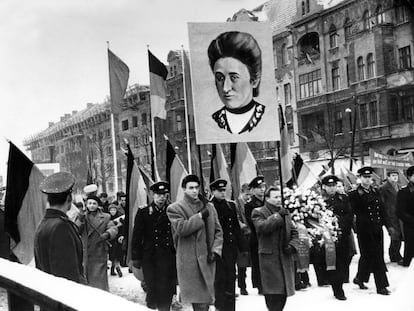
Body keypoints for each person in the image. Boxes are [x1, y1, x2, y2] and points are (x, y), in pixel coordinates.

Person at [167, 174, 223, 311]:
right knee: (199, 303)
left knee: (207, 302)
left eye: (197, 187)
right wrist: (199, 217)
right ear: (184, 189)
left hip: (208, 260)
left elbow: (218, 231)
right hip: (190, 263)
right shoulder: (175, 208)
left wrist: (216, 250)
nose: (194, 191)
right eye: (191, 188)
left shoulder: (209, 207)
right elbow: (182, 229)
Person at [207, 31, 265, 134]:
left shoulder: (266, 117)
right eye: (220, 78)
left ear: (254, 80)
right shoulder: (212, 123)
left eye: (234, 77)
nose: (225, 88)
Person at [251, 186, 299, 311]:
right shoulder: (258, 212)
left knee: (283, 295)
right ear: (267, 198)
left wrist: (292, 245)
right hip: (269, 261)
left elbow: (294, 232)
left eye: (280, 197)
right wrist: (278, 216)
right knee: (273, 297)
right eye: (275, 197)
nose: (279, 200)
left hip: (284, 258)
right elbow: (263, 228)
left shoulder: (284, 212)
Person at [131, 181, 177, 311]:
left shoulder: (172, 210)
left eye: (164, 194)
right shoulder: (144, 212)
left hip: (168, 256)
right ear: (152, 195)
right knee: (152, 288)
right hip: (150, 257)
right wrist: (136, 257)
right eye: (158, 194)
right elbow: (137, 236)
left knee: (167, 288)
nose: (161, 197)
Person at [34, 172, 86, 284]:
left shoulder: (44, 224)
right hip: (63, 296)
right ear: (69, 198)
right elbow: (67, 276)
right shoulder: (61, 227)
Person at [348, 166, 393, 295]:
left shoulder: (375, 191)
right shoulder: (354, 194)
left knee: (370, 256)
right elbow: (351, 212)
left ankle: (360, 278)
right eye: (364, 177)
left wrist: (389, 225)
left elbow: (382, 210)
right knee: (375, 257)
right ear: (359, 178)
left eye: (369, 177)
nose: (367, 180)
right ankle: (381, 286)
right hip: (364, 231)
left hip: (377, 229)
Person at [210, 179, 245, 311]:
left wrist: (242, 247)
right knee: (219, 280)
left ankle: (231, 308)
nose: (223, 193)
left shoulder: (231, 205)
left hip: (230, 248)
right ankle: (220, 307)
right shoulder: (209, 206)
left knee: (231, 277)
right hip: (218, 249)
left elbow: (235, 227)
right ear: (213, 191)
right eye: (219, 191)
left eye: (224, 190)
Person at [322, 175, 353, 300]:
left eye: (334, 185)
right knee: (332, 262)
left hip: (342, 234)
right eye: (329, 186)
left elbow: (349, 214)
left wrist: (341, 227)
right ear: (324, 187)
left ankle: (339, 283)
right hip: (327, 237)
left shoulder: (343, 198)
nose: (332, 188)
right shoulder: (319, 200)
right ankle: (337, 289)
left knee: (343, 260)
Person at [77, 195, 118, 291]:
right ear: (86, 204)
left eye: (94, 203)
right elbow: (76, 229)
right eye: (90, 203)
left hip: (99, 252)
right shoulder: (83, 216)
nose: (92, 205)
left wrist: (108, 234)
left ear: (98, 205)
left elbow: (113, 228)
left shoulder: (105, 217)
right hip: (86, 253)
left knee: (99, 283)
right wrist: (80, 218)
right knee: (86, 281)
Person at [244, 176, 265, 294]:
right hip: (257, 237)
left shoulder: (267, 201)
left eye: (263, 187)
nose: (262, 190)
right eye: (258, 188)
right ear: (252, 190)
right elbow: (251, 222)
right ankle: (260, 285)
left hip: (268, 236)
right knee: (258, 262)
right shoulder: (250, 205)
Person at [379, 170, 403, 264]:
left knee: (400, 235)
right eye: (393, 175)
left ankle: (394, 254)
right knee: (395, 235)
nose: (395, 177)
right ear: (388, 177)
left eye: (396, 175)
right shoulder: (384, 188)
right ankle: (395, 255)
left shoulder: (399, 186)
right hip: (390, 215)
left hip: (399, 215)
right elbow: (382, 202)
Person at [235, 183, 251, 295]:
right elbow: (237, 220)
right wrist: (244, 227)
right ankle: (242, 286)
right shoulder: (237, 204)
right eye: (246, 194)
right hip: (241, 235)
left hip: (250, 234)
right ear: (242, 192)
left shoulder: (248, 203)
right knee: (242, 263)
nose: (248, 197)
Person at [396, 166, 414, 267]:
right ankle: (406, 261)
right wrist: (411, 221)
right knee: (410, 245)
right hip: (410, 224)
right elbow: (400, 211)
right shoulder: (403, 192)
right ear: (409, 177)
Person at [108, 204, 124, 277]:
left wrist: (121, 236)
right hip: (109, 239)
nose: (112, 211)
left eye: (114, 210)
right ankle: (115, 268)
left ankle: (115, 268)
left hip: (117, 239)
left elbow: (122, 229)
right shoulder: (107, 218)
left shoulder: (120, 218)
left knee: (116, 254)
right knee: (112, 255)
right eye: (111, 210)